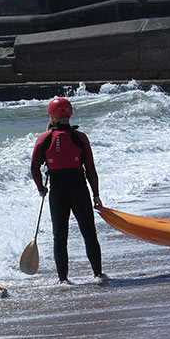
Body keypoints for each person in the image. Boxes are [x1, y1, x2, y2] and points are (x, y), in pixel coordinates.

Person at [30, 98, 105, 284]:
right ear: (69, 114)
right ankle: (98, 275)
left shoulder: (44, 138)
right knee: (89, 233)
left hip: (58, 190)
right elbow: (91, 170)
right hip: (79, 187)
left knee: (60, 236)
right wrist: (96, 195)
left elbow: (34, 168)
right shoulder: (80, 137)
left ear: (52, 115)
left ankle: (63, 280)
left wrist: (41, 189)